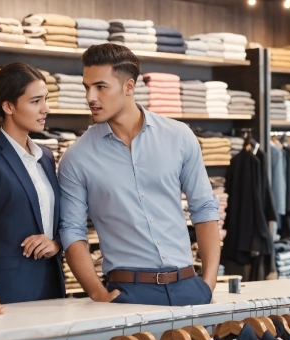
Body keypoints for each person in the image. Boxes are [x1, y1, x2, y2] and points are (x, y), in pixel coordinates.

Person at [58, 43, 221, 306]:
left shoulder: (179, 137)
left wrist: (209, 284)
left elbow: (204, 208)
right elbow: (72, 230)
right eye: (86, 87)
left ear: (129, 87)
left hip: (189, 288)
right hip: (128, 292)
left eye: (100, 87)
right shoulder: (76, 157)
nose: (90, 97)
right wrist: (97, 293)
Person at [0, 62, 65, 318]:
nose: (45, 109)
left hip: (51, 287)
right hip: (5, 294)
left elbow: (56, 219)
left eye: (46, 100)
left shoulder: (46, 157)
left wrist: (55, 243)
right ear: (8, 106)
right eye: (36, 101)